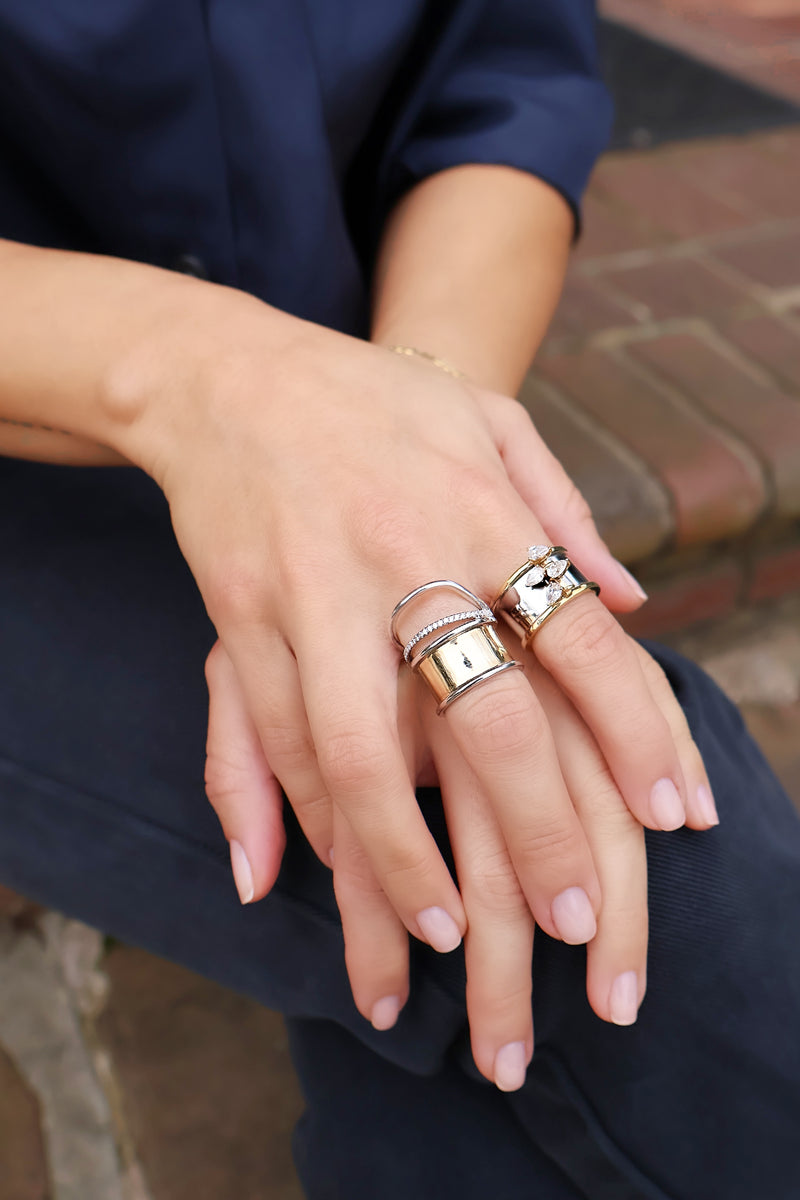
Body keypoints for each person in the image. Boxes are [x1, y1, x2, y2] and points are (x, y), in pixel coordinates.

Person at [0, 2, 798, 1196]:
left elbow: (505, 90)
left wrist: (398, 435)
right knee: (621, 895)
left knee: (547, 852)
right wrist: (214, 378)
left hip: (354, 406)